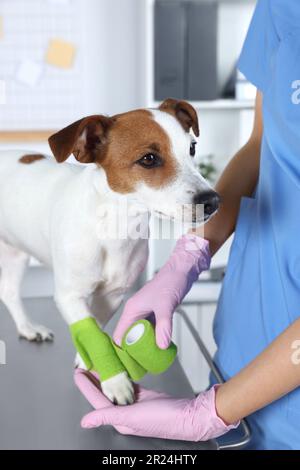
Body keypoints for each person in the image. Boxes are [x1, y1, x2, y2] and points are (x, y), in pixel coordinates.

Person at [75, 0, 300, 449]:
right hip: (241, 353)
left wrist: (210, 413)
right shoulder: (281, 8)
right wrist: (186, 260)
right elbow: (262, 145)